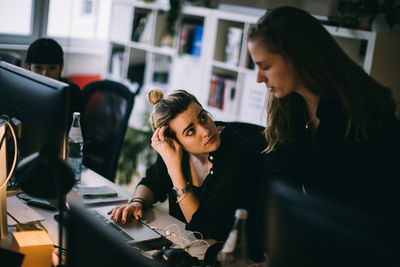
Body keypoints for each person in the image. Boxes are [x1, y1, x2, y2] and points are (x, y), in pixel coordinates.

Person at [247, 6, 400, 221]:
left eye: (265, 66)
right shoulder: (292, 109)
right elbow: (276, 181)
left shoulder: (364, 117)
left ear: (297, 57)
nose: (259, 78)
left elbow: (361, 208)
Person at [108, 89, 266, 263]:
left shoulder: (239, 154)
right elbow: (151, 183)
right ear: (175, 142)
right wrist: (136, 203)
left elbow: (205, 227)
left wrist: (174, 169)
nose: (205, 130)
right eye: (190, 131)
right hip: (187, 251)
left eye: (203, 117)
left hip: (232, 259)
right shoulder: (175, 151)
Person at [25, 38, 82, 114]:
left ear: (60, 68)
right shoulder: (19, 90)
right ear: (29, 67)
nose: (45, 74)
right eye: (38, 68)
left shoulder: (71, 93)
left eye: (52, 68)